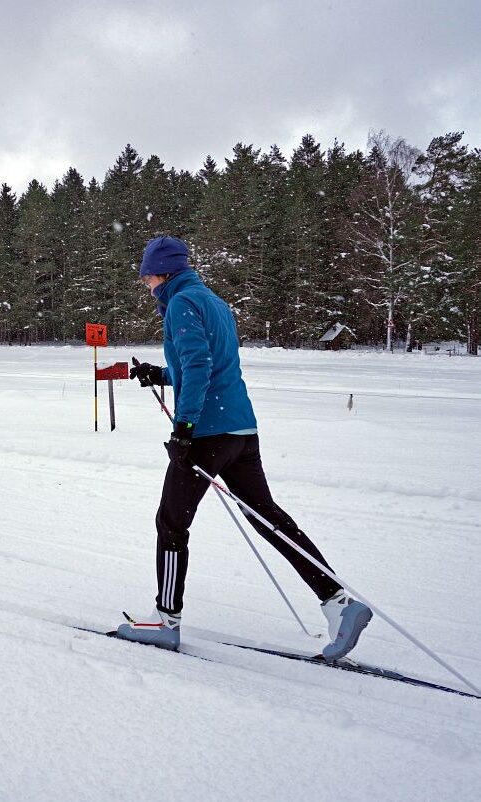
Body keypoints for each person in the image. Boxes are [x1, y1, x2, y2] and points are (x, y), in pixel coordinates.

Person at [116, 236, 372, 660]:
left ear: (161, 272)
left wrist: (185, 428)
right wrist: (160, 374)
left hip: (207, 433)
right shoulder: (212, 301)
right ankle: (339, 604)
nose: (146, 285)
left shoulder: (180, 304)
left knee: (171, 523)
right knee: (267, 518)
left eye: (146, 276)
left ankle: (167, 622)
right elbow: (205, 363)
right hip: (241, 430)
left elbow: (199, 365)